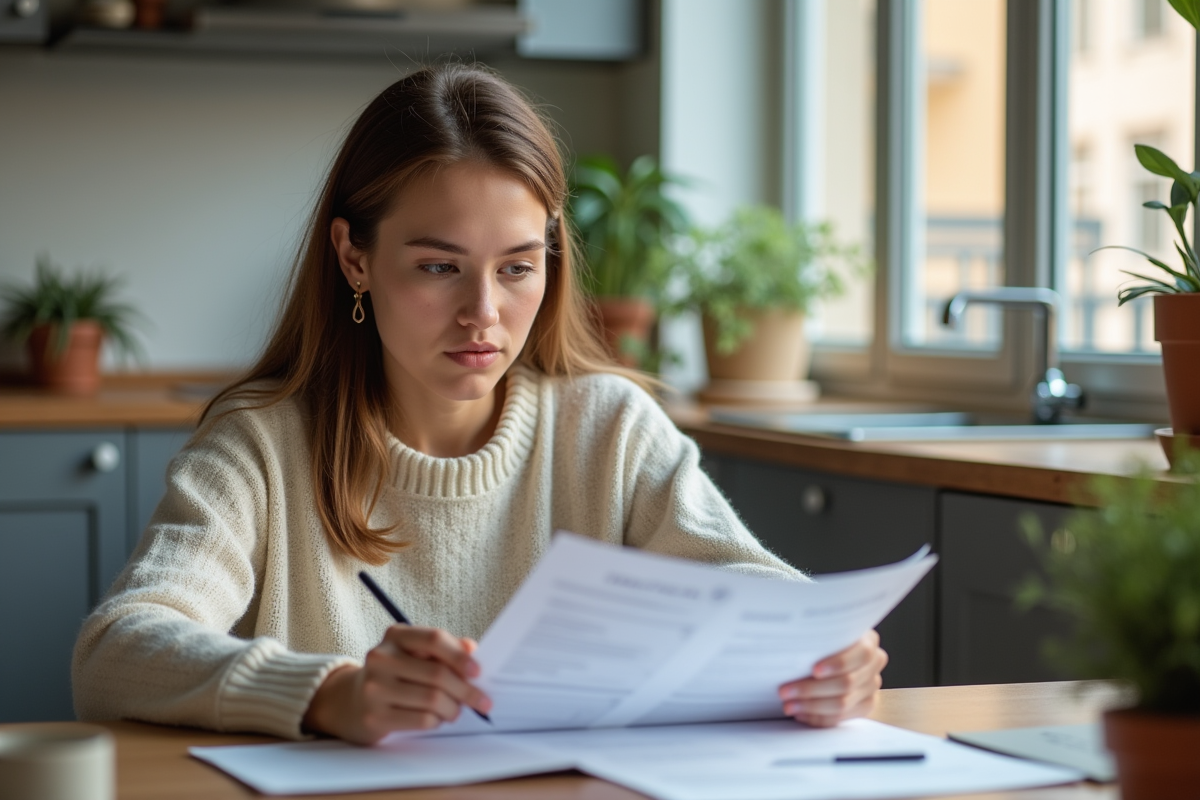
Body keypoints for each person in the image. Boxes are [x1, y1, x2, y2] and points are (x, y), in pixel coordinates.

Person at [72, 63, 888, 745]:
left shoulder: (610, 430)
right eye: (438, 267)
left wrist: (828, 656)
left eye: (517, 267)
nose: (483, 315)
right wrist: (330, 694)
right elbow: (115, 650)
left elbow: (762, 601)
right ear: (353, 256)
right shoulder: (260, 447)